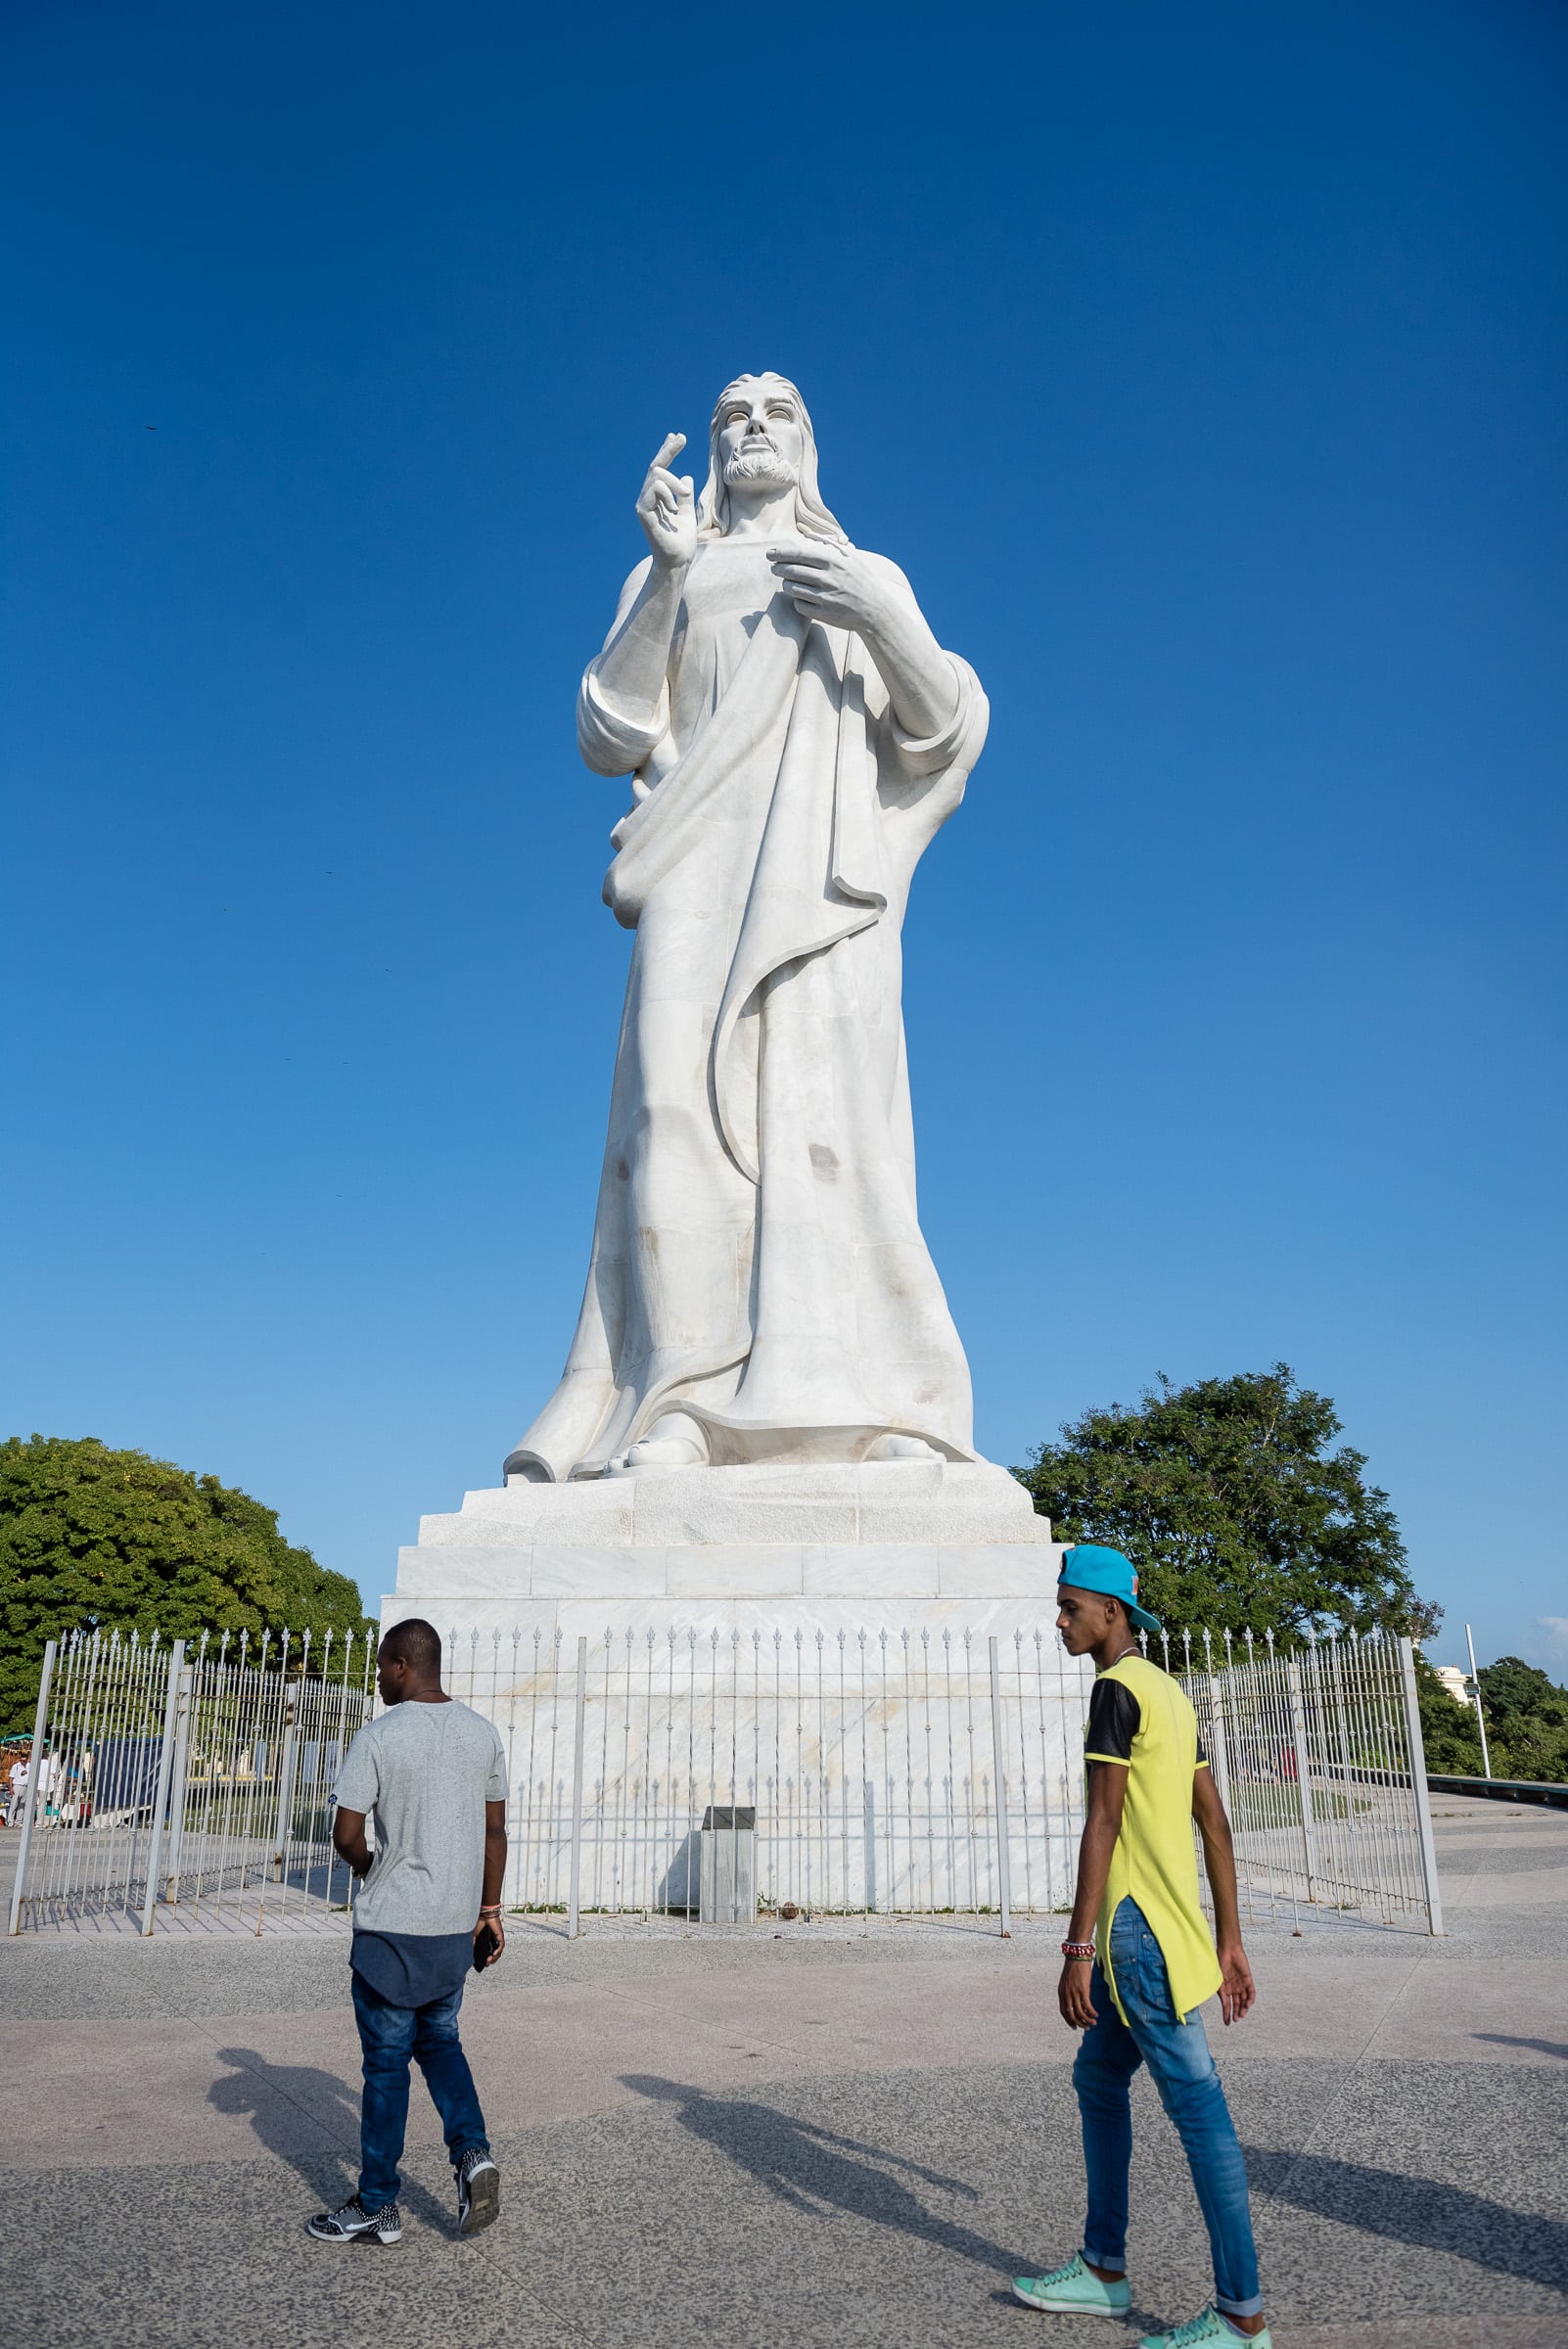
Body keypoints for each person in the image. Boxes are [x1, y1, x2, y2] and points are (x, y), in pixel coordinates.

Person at [1013, 1546, 1270, 2349]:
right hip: (1173, 1930)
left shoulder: (1117, 1690)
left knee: (1199, 2113)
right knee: (1098, 2078)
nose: (1060, 1621)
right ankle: (1104, 2270)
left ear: (1112, 1612)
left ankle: (1241, 2315)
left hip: (1134, 1935)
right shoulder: (1169, 1690)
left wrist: (1076, 1948)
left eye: (1070, 1607)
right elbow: (1215, 1823)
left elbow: (1104, 1821)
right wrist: (1230, 1940)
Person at [307, 1617, 510, 2246]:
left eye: (379, 1666)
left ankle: (377, 2205)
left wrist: (373, 1870)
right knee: (442, 2043)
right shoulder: (482, 1735)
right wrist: (489, 1911)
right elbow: (494, 1833)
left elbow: (345, 1835)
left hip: (391, 1933)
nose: (376, 1677)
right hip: (452, 1929)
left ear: (402, 1665)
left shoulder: (378, 1737)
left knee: (388, 2067)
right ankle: (472, 2155)